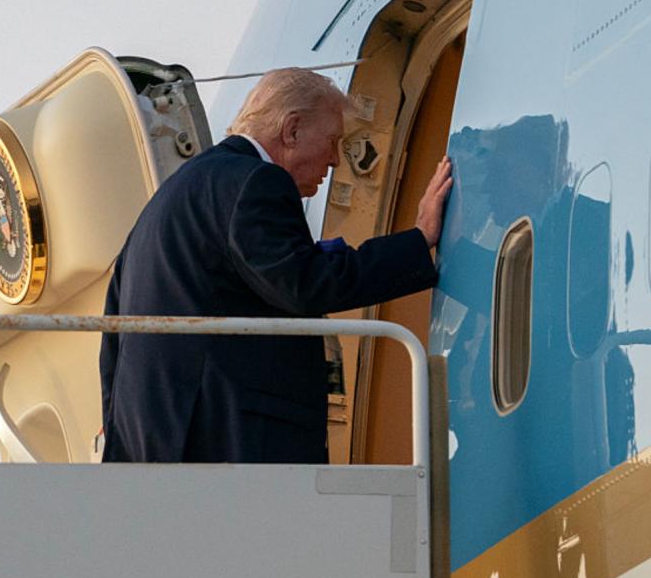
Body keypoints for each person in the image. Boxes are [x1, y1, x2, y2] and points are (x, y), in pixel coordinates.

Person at [99, 67, 453, 463]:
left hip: (151, 448)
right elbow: (304, 285)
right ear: (292, 130)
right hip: (233, 443)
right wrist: (419, 241)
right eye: (333, 141)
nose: (336, 160)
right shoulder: (256, 180)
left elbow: (113, 337)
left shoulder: (166, 201)